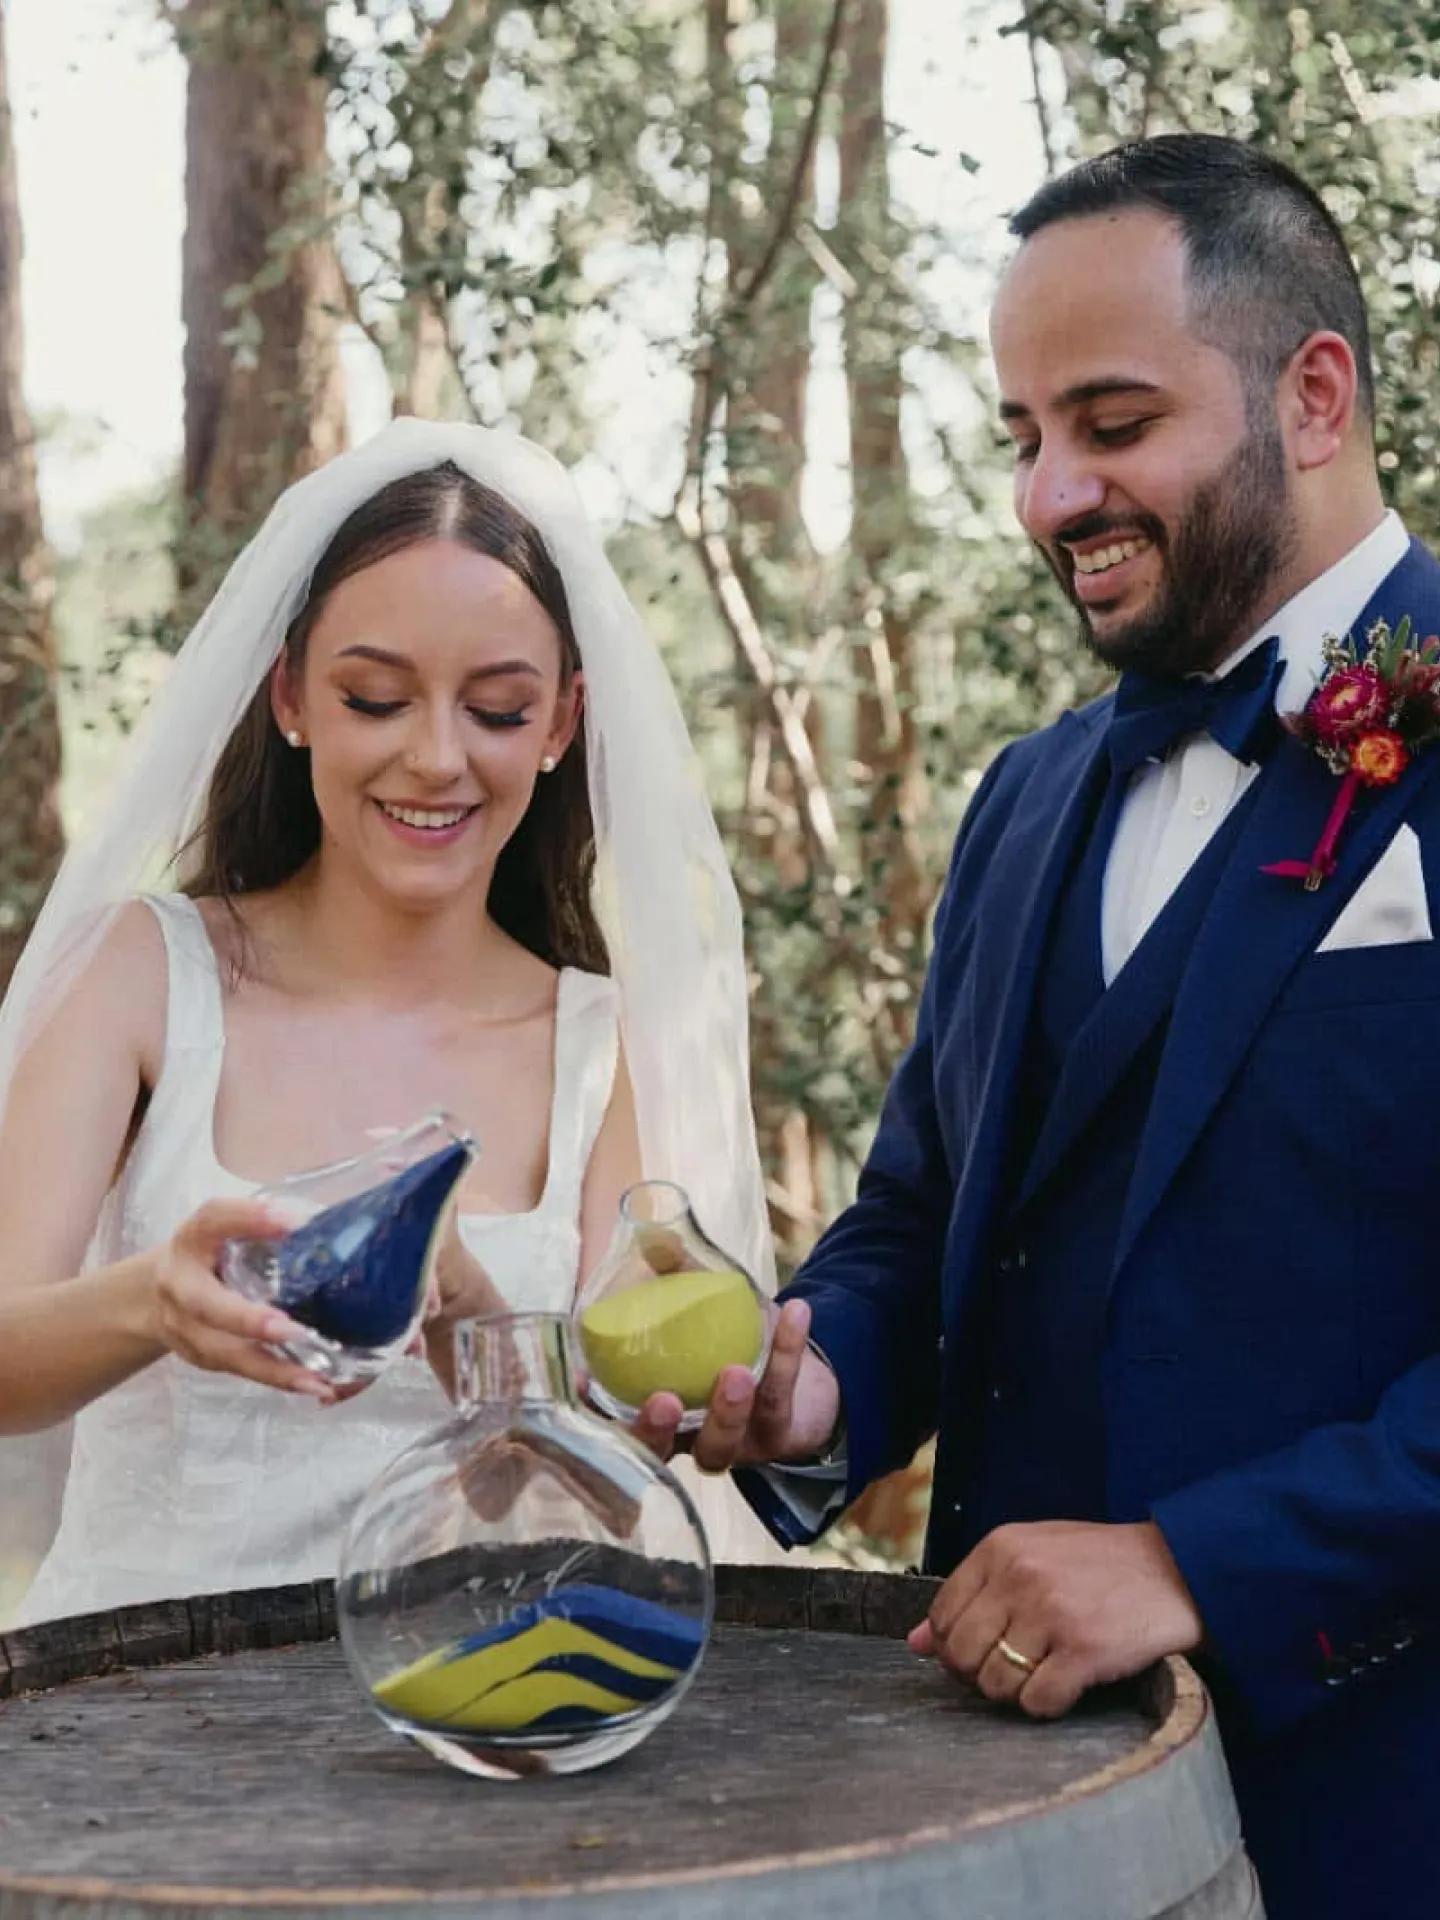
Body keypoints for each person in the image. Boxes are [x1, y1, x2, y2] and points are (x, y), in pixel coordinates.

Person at [638, 136, 1440, 1920]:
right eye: (1020, 435)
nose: (1050, 492)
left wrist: (1196, 1564)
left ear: (1313, 395)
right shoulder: (1027, 800)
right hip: (1012, 1817)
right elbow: (927, 1216)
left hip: (1392, 1808)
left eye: (1111, 420)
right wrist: (817, 1380)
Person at [0, 420, 778, 1629]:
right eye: (376, 698)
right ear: (293, 696)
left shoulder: (607, 1046)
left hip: (466, 1719)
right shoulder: (141, 973)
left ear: (563, 725)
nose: (435, 759)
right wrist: (157, 1300)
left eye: (498, 713)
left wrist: (472, 1325)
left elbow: (613, 1495)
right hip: (135, 1729)